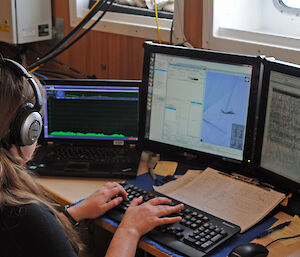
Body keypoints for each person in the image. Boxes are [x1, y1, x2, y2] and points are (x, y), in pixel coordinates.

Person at [0, 58, 184, 257]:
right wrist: (130, 230)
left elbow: (32, 239)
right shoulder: (23, 214)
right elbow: (32, 230)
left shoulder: (20, 213)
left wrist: (74, 213)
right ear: (26, 130)